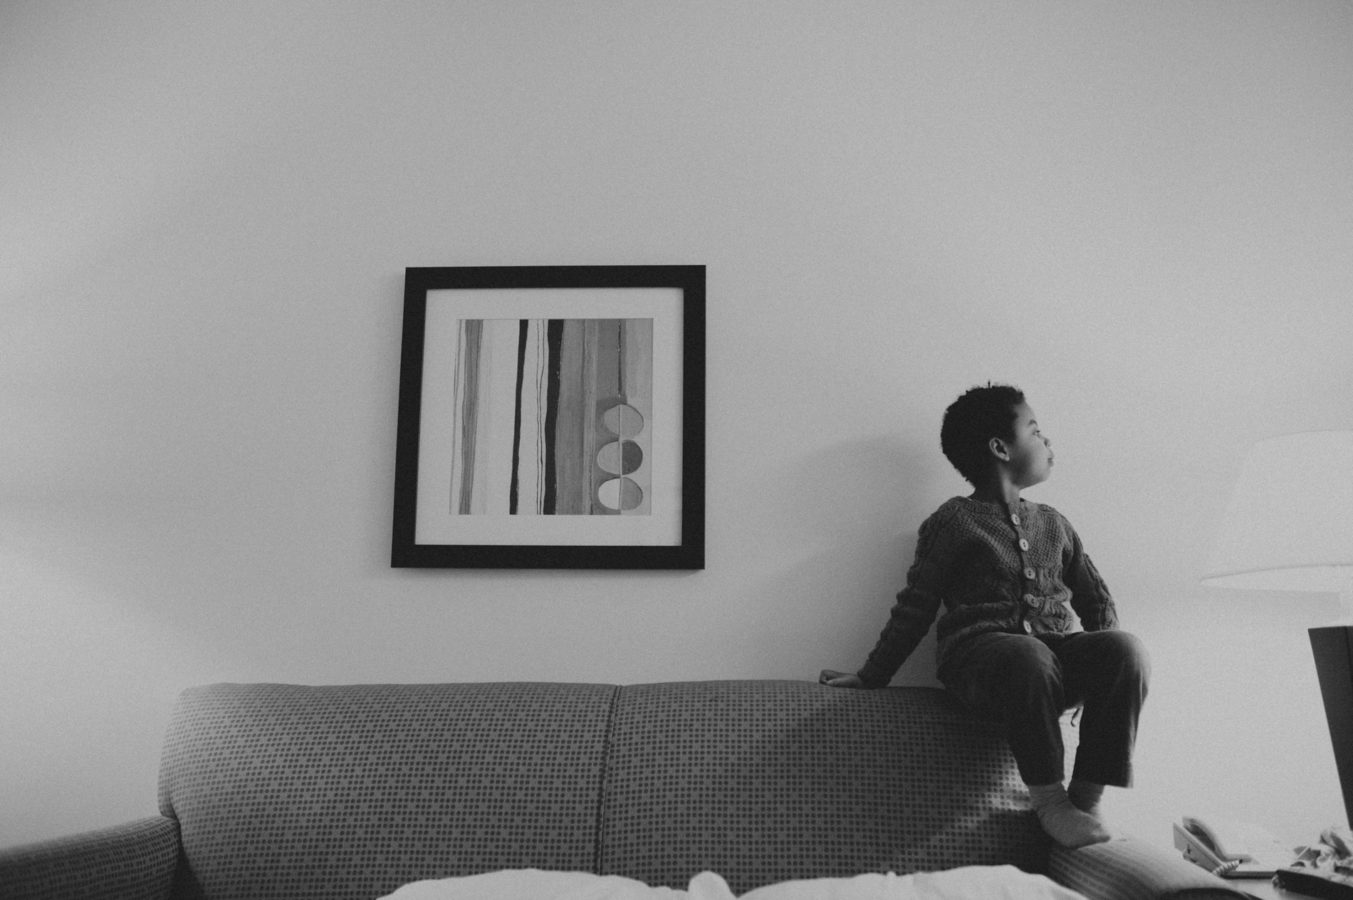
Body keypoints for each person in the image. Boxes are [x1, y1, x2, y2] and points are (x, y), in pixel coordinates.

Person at [820, 383, 1148, 849]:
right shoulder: (955, 522)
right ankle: (1051, 804)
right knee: (1027, 655)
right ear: (1000, 447)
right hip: (982, 660)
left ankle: (1085, 799)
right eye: (1036, 431)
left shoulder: (1055, 523)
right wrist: (872, 675)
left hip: (1051, 656)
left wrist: (1105, 671)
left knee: (1126, 648)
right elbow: (916, 605)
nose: (1048, 442)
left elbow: (1096, 602)